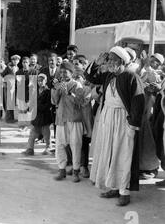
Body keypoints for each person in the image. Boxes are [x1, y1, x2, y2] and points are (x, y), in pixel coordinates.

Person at [85, 46, 145, 206]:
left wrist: (133, 125)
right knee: (109, 152)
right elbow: (91, 78)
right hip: (107, 117)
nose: (109, 62)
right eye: (109, 59)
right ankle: (113, 186)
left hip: (123, 120)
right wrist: (97, 63)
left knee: (123, 154)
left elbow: (138, 102)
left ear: (122, 61)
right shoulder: (109, 75)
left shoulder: (131, 77)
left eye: (112, 59)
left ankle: (124, 192)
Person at [52, 61, 84, 183]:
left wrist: (68, 92)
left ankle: (76, 171)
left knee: (75, 145)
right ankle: (61, 170)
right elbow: (54, 102)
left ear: (71, 73)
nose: (63, 74)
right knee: (59, 145)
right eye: (61, 72)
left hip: (74, 119)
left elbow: (80, 101)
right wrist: (57, 90)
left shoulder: (77, 85)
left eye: (65, 72)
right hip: (61, 119)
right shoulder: (59, 85)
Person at [73, 54, 93, 178]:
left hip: (85, 113)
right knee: (73, 140)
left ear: (84, 64)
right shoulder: (71, 77)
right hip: (73, 113)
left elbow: (87, 96)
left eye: (77, 63)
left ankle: (84, 166)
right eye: (73, 63)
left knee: (84, 140)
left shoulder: (89, 79)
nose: (74, 66)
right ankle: (75, 164)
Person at [22, 73, 53, 155]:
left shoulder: (48, 92)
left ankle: (48, 148)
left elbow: (49, 104)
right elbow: (32, 102)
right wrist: (27, 109)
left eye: (42, 80)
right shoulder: (35, 91)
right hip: (36, 116)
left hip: (45, 116)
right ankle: (30, 149)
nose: (40, 82)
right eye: (39, 81)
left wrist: (38, 107)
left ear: (45, 81)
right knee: (32, 134)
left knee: (46, 134)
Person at [2, 55, 20, 123]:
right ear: (11, 60)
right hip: (7, 87)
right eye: (14, 60)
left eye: (17, 60)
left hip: (14, 87)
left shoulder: (17, 67)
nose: (15, 61)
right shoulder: (8, 67)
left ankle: (11, 118)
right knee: (8, 102)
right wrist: (5, 82)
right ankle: (8, 118)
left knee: (12, 102)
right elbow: (2, 75)